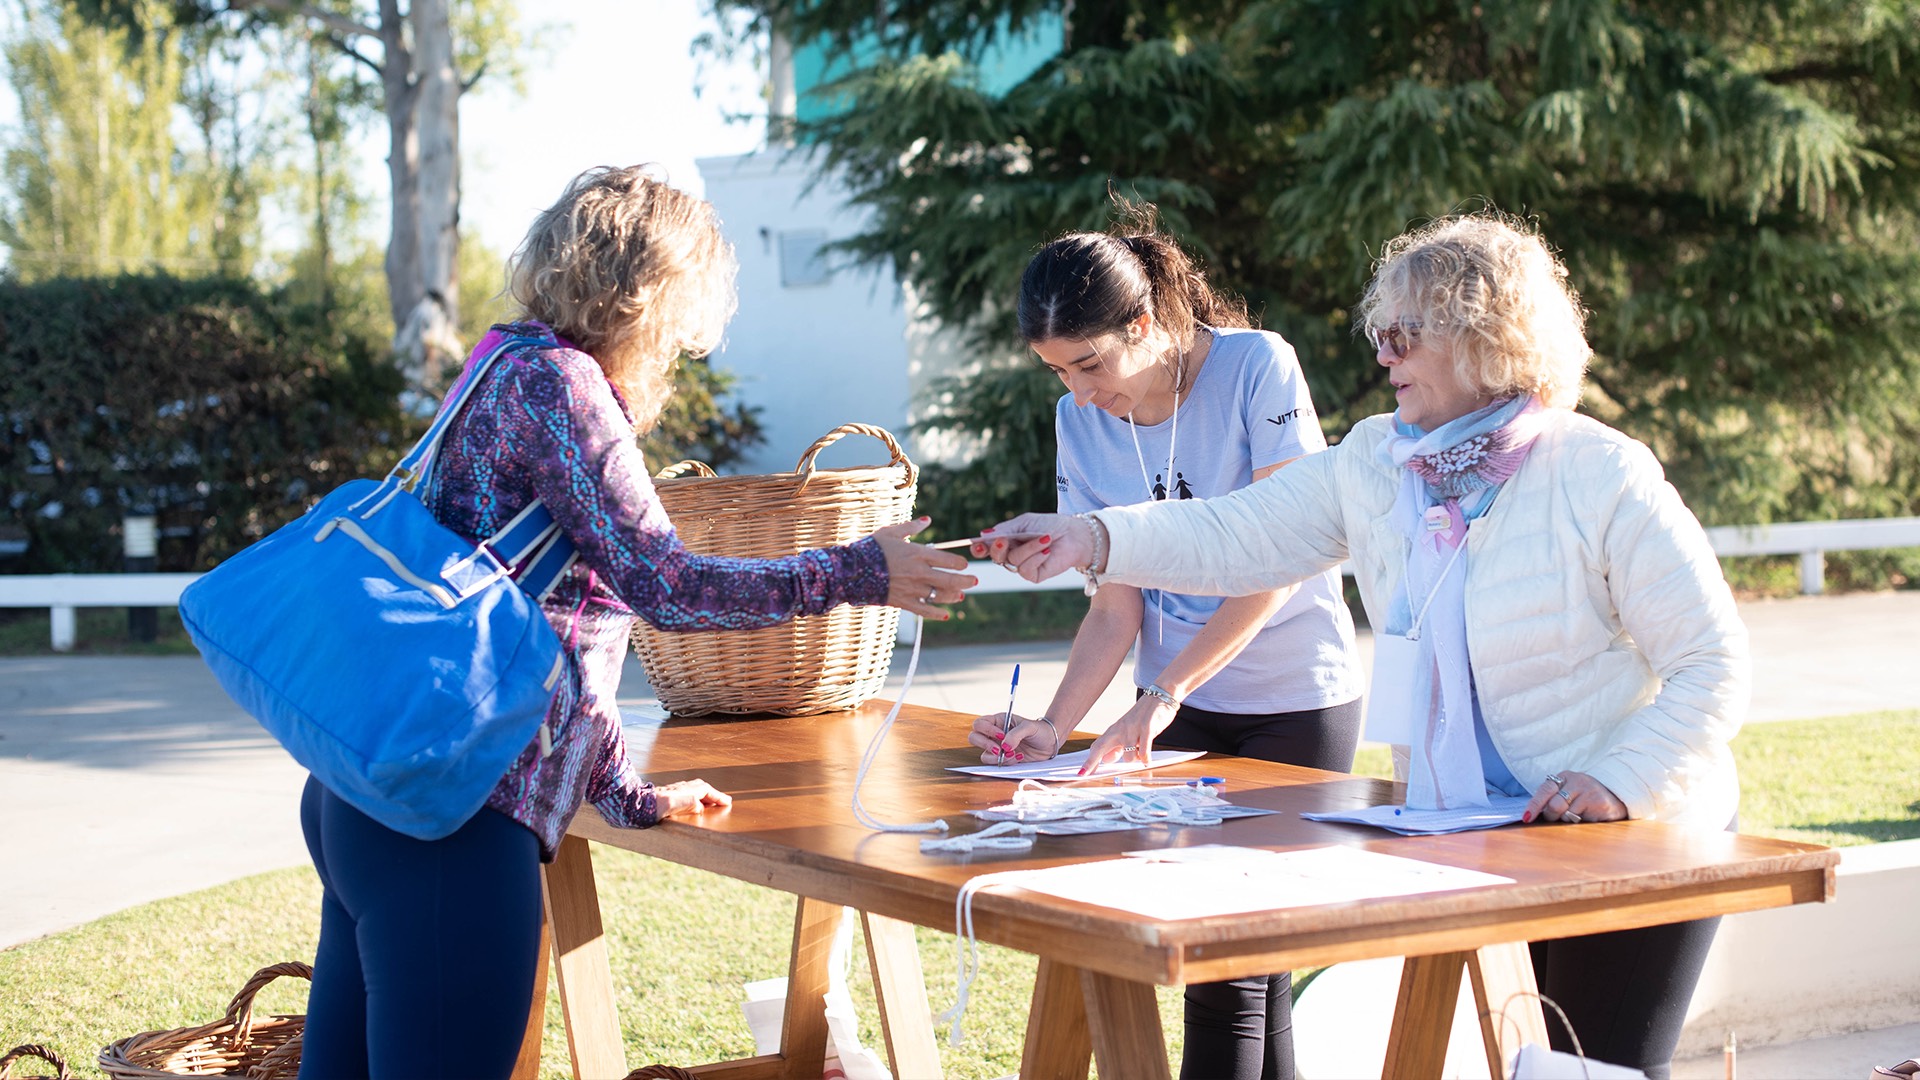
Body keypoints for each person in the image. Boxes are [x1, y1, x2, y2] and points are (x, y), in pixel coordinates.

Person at [979, 211, 1747, 1080]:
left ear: (1485, 338)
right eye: (1380, 333)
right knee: (1548, 1066)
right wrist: (1089, 538)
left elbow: (1712, 665)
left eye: (1403, 335)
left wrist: (1615, 782)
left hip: (1632, 827)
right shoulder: (1378, 459)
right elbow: (1235, 535)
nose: (1380, 354)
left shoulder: (1602, 471)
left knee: (1587, 1074)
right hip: (1494, 825)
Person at [295, 165, 975, 1079]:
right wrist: (860, 570)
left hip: (370, 797)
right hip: (454, 822)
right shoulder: (564, 389)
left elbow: (559, 614)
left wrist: (620, 786)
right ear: (656, 290)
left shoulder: (504, 361)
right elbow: (666, 586)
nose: (700, 333)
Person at [966, 216, 1365, 1080]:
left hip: (1298, 701)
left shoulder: (1258, 365)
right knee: (1243, 971)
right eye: (1058, 372)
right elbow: (1116, 604)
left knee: (1233, 968)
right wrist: (1054, 724)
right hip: (1175, 705)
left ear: (1143, 325)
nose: (1077, 391)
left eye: (1089, 364)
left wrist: (1162, 697)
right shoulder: (1083, 423)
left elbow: (1278, 561)